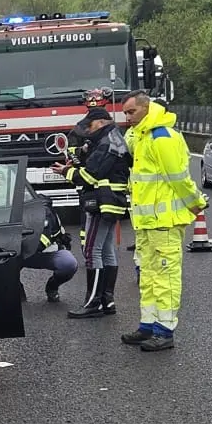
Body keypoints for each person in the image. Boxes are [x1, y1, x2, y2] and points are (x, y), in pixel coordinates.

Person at [119, 93, 207, 351]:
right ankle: (147, 325)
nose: (127, 118)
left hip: (164, 220)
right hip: (146, 221)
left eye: (131, 112)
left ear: (147, 109)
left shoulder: (162, 138)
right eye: (125, 113)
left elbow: (179, 177)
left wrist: (195, 203)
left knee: (165, 276)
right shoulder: (143, 135)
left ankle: (165, 331)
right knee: (147, 275)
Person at [61, 104, 131, 318]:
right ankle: (107, 301)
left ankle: (93, 303)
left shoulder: (106, 143)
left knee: (92, 251)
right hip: (113, 201)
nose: (88, 131)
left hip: (101, 201)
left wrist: (67, 172)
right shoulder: (116, 139)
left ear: (100, 123)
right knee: (107, 250)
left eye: (90, 127)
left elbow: (91, 176)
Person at [21, 190, 78, 300]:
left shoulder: (44, 211)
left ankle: (52, 286)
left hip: (43, 252)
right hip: (17, 255)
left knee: (68, 264)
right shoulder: (9, 210)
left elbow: (44, 239)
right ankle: (15, 288)